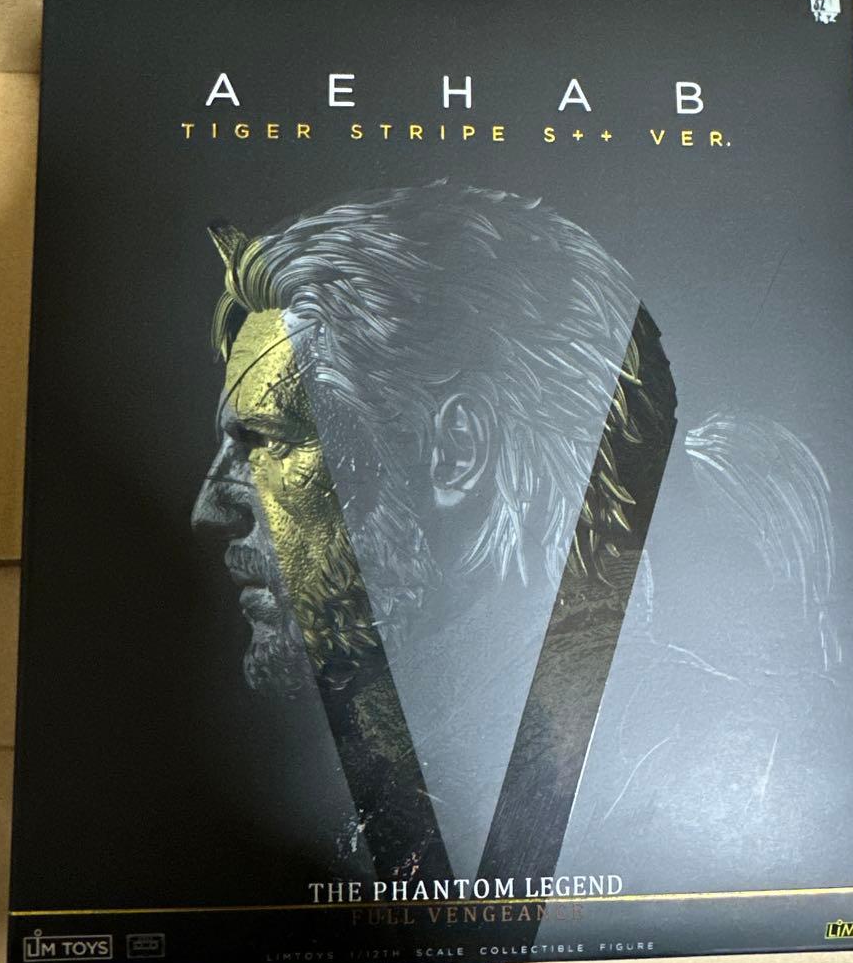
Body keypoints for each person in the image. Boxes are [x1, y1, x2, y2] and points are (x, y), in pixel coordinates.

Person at [190, 180, 677, 881]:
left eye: (268, 442)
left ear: (457, 452)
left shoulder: (680, 761)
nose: (209, 511)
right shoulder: (385, 779)